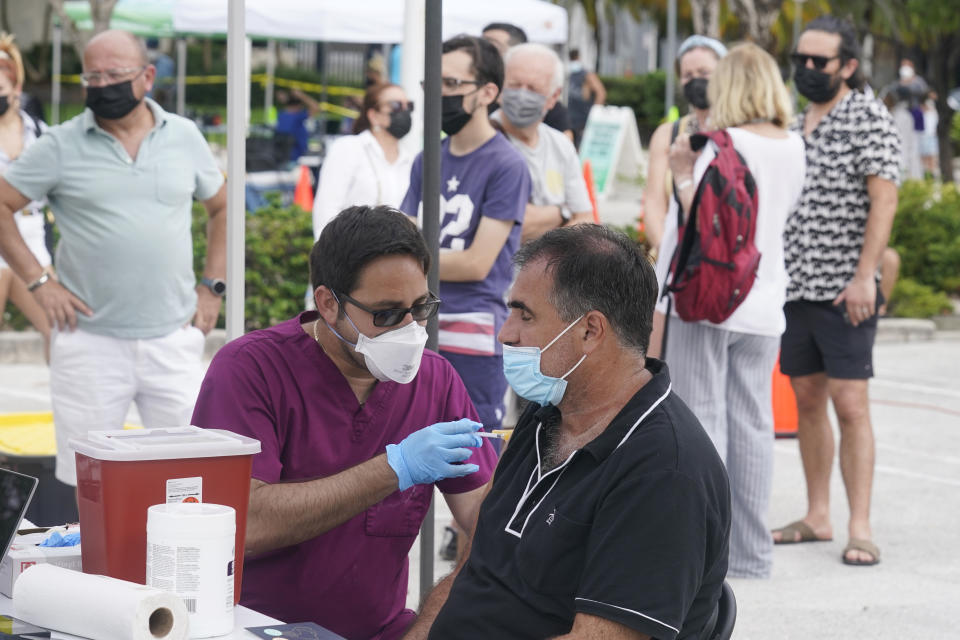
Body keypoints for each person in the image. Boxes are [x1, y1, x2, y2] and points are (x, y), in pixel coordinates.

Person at [403, 224, 731, 640]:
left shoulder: (664, 471)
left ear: (590, 331)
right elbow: (475, 563)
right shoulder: (547, 415)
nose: (506, 333)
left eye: (525, 313)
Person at [192, 205, 498, 640]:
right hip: (253, 630)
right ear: (328, 304)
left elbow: (491, 523)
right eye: (387, 314)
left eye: (421, 307)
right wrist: (395, 469)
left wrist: (428, 624)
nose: (410, 328)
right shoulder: (249, 370)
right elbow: (245, 525)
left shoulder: (434, 380)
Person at [0, 30, 226, 487]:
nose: (103, 85)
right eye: (92, 75)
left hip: (173, 339)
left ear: (146, 77)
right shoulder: (60, 145)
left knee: (188, 479)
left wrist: (213, 286)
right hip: (87, 344)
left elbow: (221, 208)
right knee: (90, 484)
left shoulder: (184, 136)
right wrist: (41, 284)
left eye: (115, 74)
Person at [657, 43, 805, 579]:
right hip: (765, 301)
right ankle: (752, 554)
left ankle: (703, 556)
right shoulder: (794, 144)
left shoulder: (719, 144)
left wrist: (680, 173)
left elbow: (699, 219)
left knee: (702, 422)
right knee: (754, 425)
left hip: (710, 300)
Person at [772, 16, 900, 567]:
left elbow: (885, 200)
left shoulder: (869, 117)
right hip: (793, 285)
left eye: (818, 62)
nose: (806, 69)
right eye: (800, 59)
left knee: (851, 404)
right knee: (806, 400)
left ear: (847, 66)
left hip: (845, 289)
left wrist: (863, 276)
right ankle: (818, 513)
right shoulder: (795, 118)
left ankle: (860, 524)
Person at [400, 35, 529, 435]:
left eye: (453, 85)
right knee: (407, 450)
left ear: (488, 92)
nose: (441, 95)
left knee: (474, 460)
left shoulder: (507, 165)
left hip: (473, 329)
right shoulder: (427, 158)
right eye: (433, 84)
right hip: (416, 325)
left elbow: (477, 263)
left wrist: (412, 263)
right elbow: (399, 236)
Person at [645, 35, 727, 358]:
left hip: (715, 267)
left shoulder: (734, 133)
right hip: (670, 266)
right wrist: (670, 253)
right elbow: (653, 201)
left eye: (704, 72)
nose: (696, 81)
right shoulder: (670, 133)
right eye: (688, 75)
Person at [494, 43, 593, 242]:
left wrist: (554, 219)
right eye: (514, 85)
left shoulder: (560, 145)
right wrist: (563, 214)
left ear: (553, 97)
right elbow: (516, 225)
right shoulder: (484, 141)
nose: (522, 95)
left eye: (533, 88)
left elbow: (585, 219)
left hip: (547, 272)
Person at [0, 33, 51, 361]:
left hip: (31, 232)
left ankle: (67, 406)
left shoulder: (42, 134)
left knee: (61, 329)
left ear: (15, 89)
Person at [312, 83, 414, 239]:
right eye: (395, 105)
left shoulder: (411, 160)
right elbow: (326, 211)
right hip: (351, 254)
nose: (404, 112)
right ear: (373, 115)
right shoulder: (349, 148)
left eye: (409, 106)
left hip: (398, 256)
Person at [481, 22, 574, 141]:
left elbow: (566, 143)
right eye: (514, 85)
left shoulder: (557, 137)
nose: (484, 54)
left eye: (493, 47)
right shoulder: (476, 98)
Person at [567, 48, 606, 149]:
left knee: (583, 147)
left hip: (584, 117)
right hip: (572, 117)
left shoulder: (586, 75)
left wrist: (595, 112)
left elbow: (601, 93)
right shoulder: (570, 75)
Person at [274, 87, 320, 162]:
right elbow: (316, 107)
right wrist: (301, 96)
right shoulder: (298, 116)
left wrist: (287, 99)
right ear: (299, 106)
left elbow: (288, 106)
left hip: (280, 157)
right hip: (297, 157)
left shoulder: (281, 115)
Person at [920, 91, 939, 178]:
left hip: (931, 135)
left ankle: (931, 174)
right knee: (925, 157)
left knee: (932, 156)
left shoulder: (935, 107)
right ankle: (927, 174)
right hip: (924, 135)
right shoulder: (923, 107)